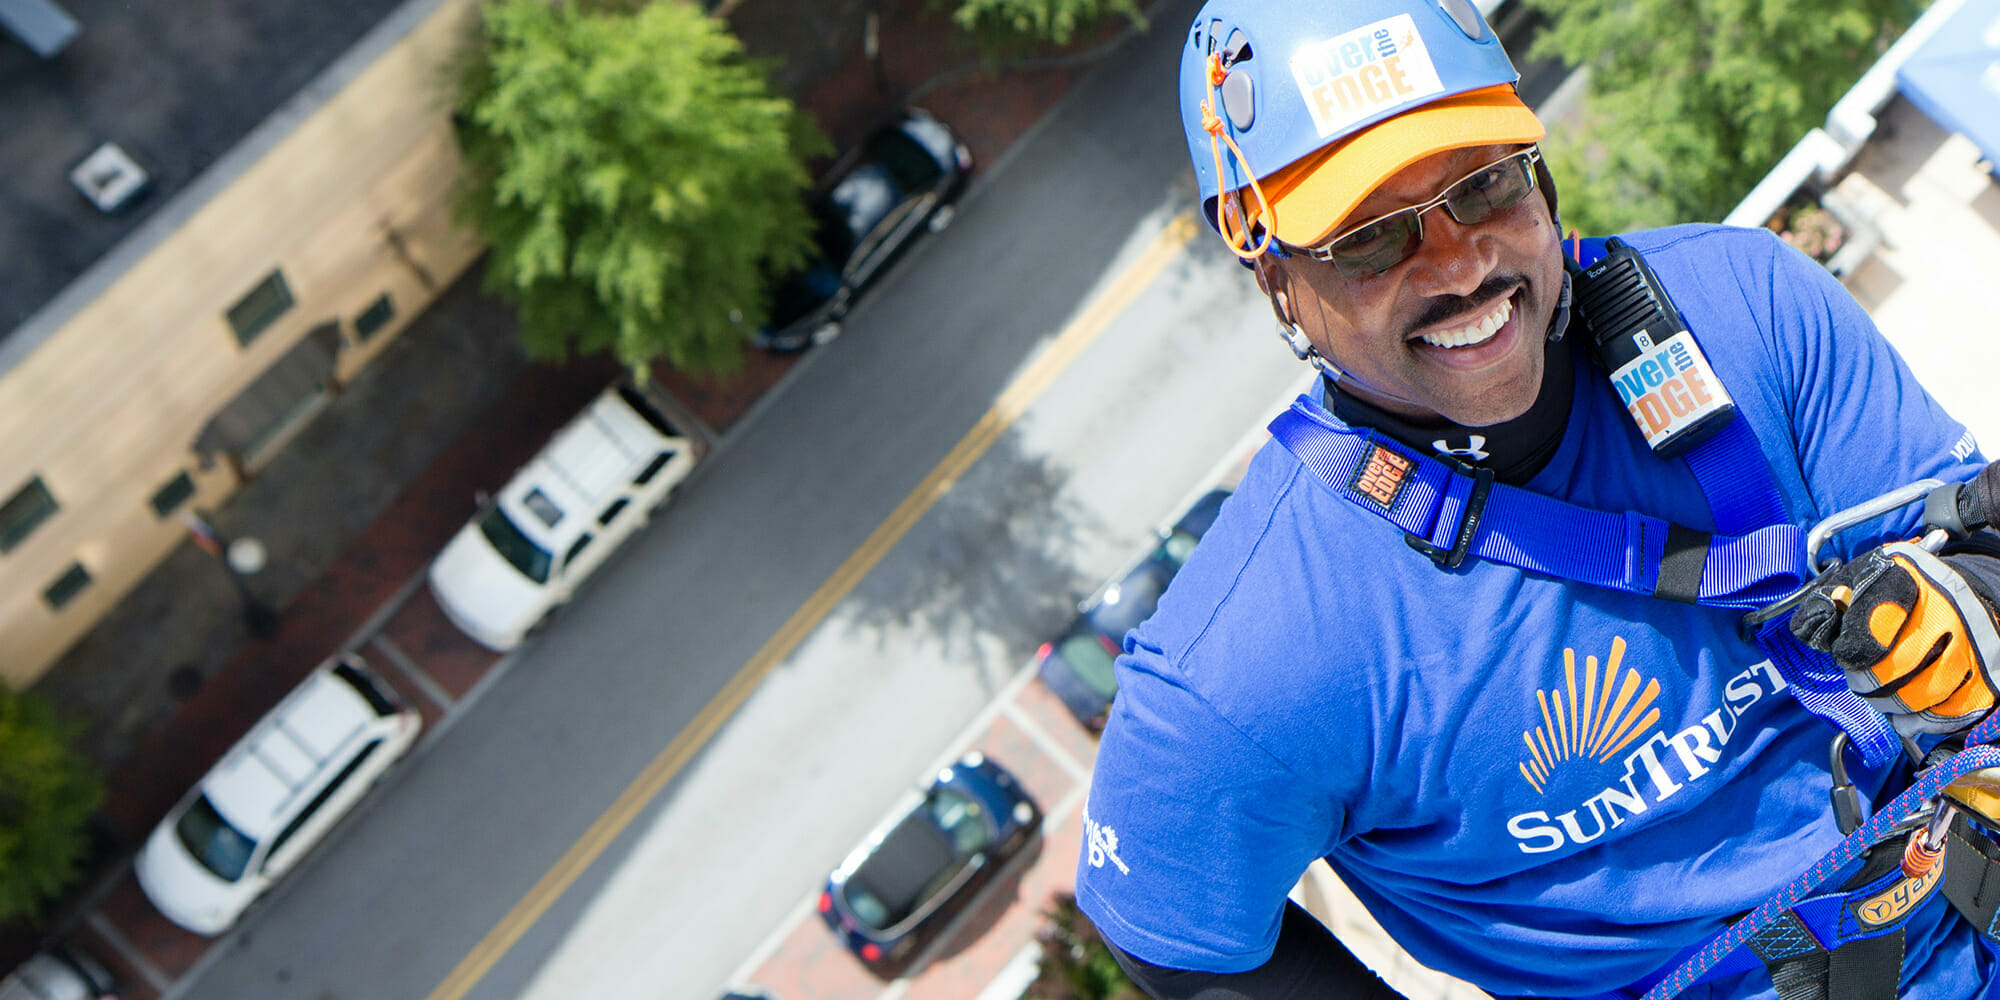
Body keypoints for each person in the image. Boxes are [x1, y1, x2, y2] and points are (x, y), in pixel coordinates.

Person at [1072, 1, 2000, 998]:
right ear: (1274, 282)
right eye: (1370, 240)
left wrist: (1974, 596)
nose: (1461, 262)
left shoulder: (1742, 310)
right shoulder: (1254, 658)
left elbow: (1968, 541)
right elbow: (1168, 935)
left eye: (1481, 184)